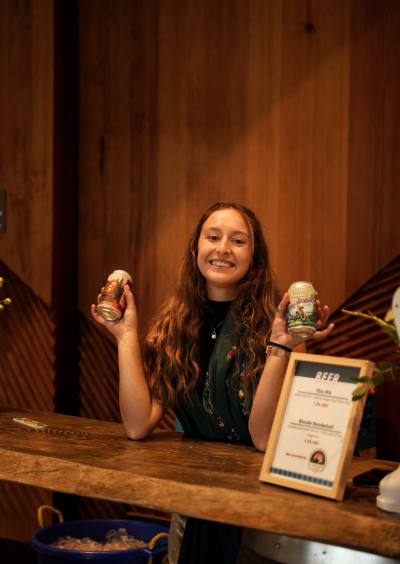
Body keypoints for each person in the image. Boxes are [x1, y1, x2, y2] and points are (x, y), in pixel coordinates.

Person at [91, 202, 333, 564]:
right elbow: (138, 424)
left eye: (238, 241)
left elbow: (264, 438)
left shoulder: (280, 326)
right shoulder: (174, 329)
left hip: (260, 513)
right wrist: (125, 336)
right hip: (193, 502)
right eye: (213, 237)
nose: (223, 248)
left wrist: (281, 347)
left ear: (255, 258)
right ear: (195, 250)